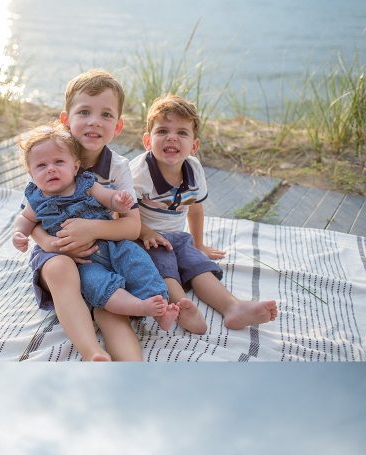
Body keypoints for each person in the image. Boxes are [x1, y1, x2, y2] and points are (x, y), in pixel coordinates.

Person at [14, 125, 192, 332]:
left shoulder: (86, 183)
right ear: (31, 174)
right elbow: (25, 219)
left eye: (59, 162)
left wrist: (119, 201)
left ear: (75, 166)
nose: (50, 169)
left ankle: (158, 305)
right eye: (41, 166)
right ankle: (139, 307)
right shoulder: (36, 199)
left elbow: (108, 198)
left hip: (113, 243)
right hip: (82, 259)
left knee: (139, 261)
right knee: (96, 284)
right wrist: (19, 233)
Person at [131, 94, 279, 334]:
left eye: (182, 133)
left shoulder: (193, 169)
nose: (172, 137)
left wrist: (198, 244)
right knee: (165, 269)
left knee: (199, 265)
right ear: (148, 141)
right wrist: (146, 232)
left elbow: (195, 208)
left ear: (194, 145)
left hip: (177, 237)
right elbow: (121, 215)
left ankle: (233, 307)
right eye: (162, 131)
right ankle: (183, 307)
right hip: (143, 238)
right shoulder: (139, 175)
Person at [25, 70, 145, 361]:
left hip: (98, 252)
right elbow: (29, 218)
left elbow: (132, 227)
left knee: (109, 301)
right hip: (57, 251)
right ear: (65, 120)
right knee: (59, 270)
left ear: (117, 126)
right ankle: (92, 353)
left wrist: (90, 229)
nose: (94, 121)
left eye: (105, 115)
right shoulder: (49, 154)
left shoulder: (117, 167)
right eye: (84, 112)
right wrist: (48, 243)